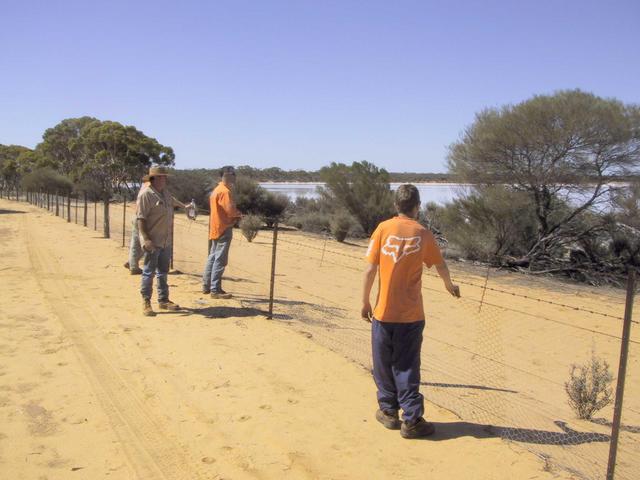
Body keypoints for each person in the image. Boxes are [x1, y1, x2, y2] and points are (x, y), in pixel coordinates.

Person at [361, 184, 460, 439]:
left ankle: (389, 411)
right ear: (417, 207)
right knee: (406, 366)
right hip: (411, 316)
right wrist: (449, 285)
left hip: (383, 312)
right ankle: (412, 420)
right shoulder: (423, 234)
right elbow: (440, 264)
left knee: (383, 364)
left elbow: (370, 269)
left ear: (396, 206)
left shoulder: (383, 229)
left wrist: (365, 301)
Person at [137, 166, 182, 316]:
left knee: (163, 272)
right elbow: (141, 219)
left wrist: (186, 207)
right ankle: (146, 302)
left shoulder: (166, 193)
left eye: (165, 176)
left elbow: (173, 201)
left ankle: (163, 300)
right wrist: (146, 239)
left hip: (166, 241)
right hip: (153, 241)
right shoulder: (146, 195)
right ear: (154, 178)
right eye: (162, 177)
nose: (165, 179)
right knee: (148, 272)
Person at [125, 176, 190, 275]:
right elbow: (170, 200)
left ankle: (132, 263)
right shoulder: (149, 190)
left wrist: (183, 206)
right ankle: (134, 266)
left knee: (137, 243)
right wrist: (183, 206)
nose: (161, 181)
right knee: (142, 243)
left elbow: (170, 199)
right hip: (144, 218)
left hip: (141, 217)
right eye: (158, 178)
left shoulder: (151, 189)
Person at [202, 166, 241, 298]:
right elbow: (230, 210)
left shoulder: (216, 190)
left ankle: (206, 286)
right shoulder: (225, 192)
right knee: (220, 259)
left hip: (215, 227)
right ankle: (215, 290)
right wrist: (239, 215)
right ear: (225, 176)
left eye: (233, 174)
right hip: (224, 227)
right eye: (231, 174)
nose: (233, 177)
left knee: (212, 257)